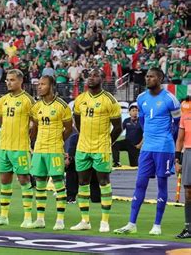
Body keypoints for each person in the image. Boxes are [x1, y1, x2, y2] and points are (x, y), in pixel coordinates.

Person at [114, 67, 181, 236]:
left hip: (164, 148)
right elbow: (143, 120)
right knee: (140, 183)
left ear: (160, 78)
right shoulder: (141, 98)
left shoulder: (170, 99)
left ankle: (157, 225)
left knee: (162, 184)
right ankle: (131, 223)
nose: (147, 79)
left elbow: (177, 124)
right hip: (147, 148)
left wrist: (165, 138)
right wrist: (149, 137)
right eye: (147, 76)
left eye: (151, 77)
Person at [71, 68, 122, 232]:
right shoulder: (80, 99)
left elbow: (118, 127)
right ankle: (85, 221)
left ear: (102, 79)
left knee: (103, 183)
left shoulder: (109, 100)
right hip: (83, 148)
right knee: (82, 183)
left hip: (101, 148)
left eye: (95, 75)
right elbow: (77, 122)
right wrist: (84, 136)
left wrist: (108, 142)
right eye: (89, 75)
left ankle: (104, 222)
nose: (91, 78)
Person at [0, 69, 35, 228]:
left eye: (12, 80)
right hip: (4, 147)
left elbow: (35, 123)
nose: (8, 82)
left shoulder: (28, 100)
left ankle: (28, 217)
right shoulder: (2, 100)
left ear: (20, 81)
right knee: (4, 181)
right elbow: (2, 123)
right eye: (7, 80)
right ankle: (3, 216)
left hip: (20, 147)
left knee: (24, 180)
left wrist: (29, 141)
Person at [30, 75, 73, 230]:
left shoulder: (62, 106)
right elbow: (34, 128)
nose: (39, 86)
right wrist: (31, 144)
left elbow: (69, 128)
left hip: (55, 150)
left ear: (52, 86)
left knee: (58, 183)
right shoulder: (36, 107)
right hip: (39, 150)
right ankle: (40, 219)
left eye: (43, 84)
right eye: (38, 84)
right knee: (39, 183)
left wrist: (57, 140)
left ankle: (60, 220)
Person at [175, 97, 191, 239]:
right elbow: (180, 139)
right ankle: (189, 228)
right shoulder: (185, 115)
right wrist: (177, 160)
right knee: (188, 192)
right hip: (189, 153)